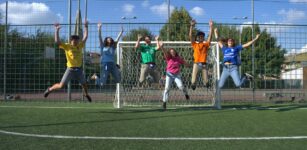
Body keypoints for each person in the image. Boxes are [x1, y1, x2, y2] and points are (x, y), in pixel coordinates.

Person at [44, 20, 91, 102]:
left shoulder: (80, 45)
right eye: (73, 39)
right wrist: (57, 30)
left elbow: (86, 37)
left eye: (77, 39)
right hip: (70, 69)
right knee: (61, 85)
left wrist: (86, 27)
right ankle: (49, 89)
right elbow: (57, 41)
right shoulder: (67, 46)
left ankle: (86, 94)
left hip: (79, 69)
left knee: (84, 84)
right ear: (71, 40)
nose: (75, 41)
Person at [90, 23, 123, 87]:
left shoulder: (113, 47)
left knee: (118, 80)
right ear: (106, 40)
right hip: (105, 64)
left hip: (113, 64)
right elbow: (99, 37)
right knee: (102, 84)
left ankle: (118, 70)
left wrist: (121, 32)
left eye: (110, 38)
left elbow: (117, 39)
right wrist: (99, 28)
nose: (110, 39)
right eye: (108, 39)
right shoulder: (103, 46)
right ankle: (96, 77)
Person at [161, 41, 191, 110]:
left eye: (173, 52)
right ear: (170, 53)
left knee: (181, 86)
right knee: (167, 88)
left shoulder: (178, 58)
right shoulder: (168, 58)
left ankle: (186, 94)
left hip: (177, 75)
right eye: (171, 52)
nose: (172, 53)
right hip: (169, 74)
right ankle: (164, 102)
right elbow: (165, 52)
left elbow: (184, 63)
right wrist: (162, 47)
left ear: (175, 52)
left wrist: (190, 65)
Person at [189, 19, 213, 90]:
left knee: (206, 81)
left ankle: (207, 85)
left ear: (203, 38)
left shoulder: (206, 44)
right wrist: (191, 26)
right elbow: (190, 36)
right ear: (197, 38)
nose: (200, 38)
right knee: (193, 80)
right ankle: (193, 85)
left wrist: (211, 27)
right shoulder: (195, 44)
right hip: (196, 63)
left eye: (202, 37)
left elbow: (210, 37)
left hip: (203, 64)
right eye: (199, 37)